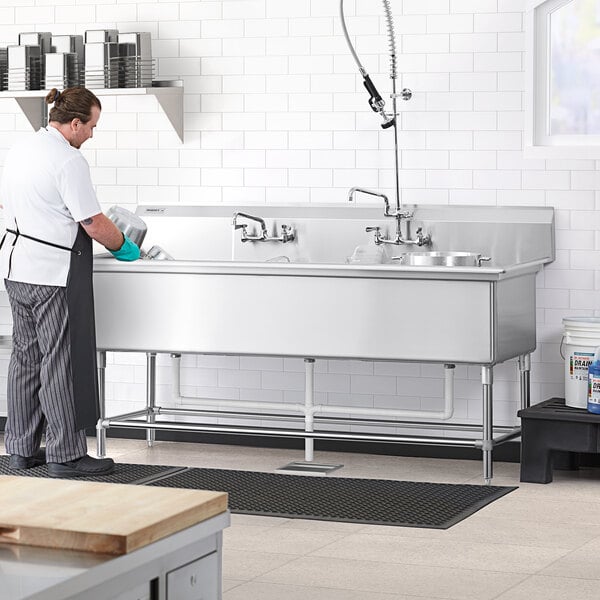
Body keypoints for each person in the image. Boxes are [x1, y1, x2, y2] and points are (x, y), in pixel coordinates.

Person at [0, 87, 140, 478]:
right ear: (74, 123)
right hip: (53, 274)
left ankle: (21, 450)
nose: (92, 134)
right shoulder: (68, 160)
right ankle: (65, 455)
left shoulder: (22, 149)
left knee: (26, 358)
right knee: (60, 359)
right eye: (92, 126)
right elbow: (92, 221)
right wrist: (126, 247)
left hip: (15, 269)